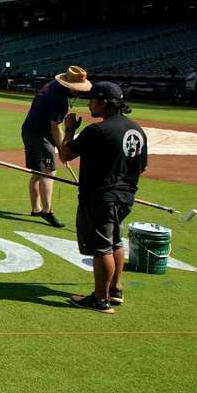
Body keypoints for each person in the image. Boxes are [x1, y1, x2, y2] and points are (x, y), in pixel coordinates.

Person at [59, 81, 148, 313]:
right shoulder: (136, 130)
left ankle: (100, 299)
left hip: (100, 197)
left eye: (93, 99)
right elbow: (141, 167)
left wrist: (69, 129)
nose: (90, 103)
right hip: (126, 196)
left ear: (104, 103)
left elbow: (65, 154)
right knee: (115, 241)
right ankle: (115, 290)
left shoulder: (97, 130)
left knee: (101, 248)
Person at [20, 65, 92, 228]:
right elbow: (55, 127)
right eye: (77, 90)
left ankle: (36, 208)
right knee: (49, 171)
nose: (79, 93)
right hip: (39, 133)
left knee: (38, 172)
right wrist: (63, 151)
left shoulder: (53, 86)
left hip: (31, 130)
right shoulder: (59, 99)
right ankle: (47, 211)